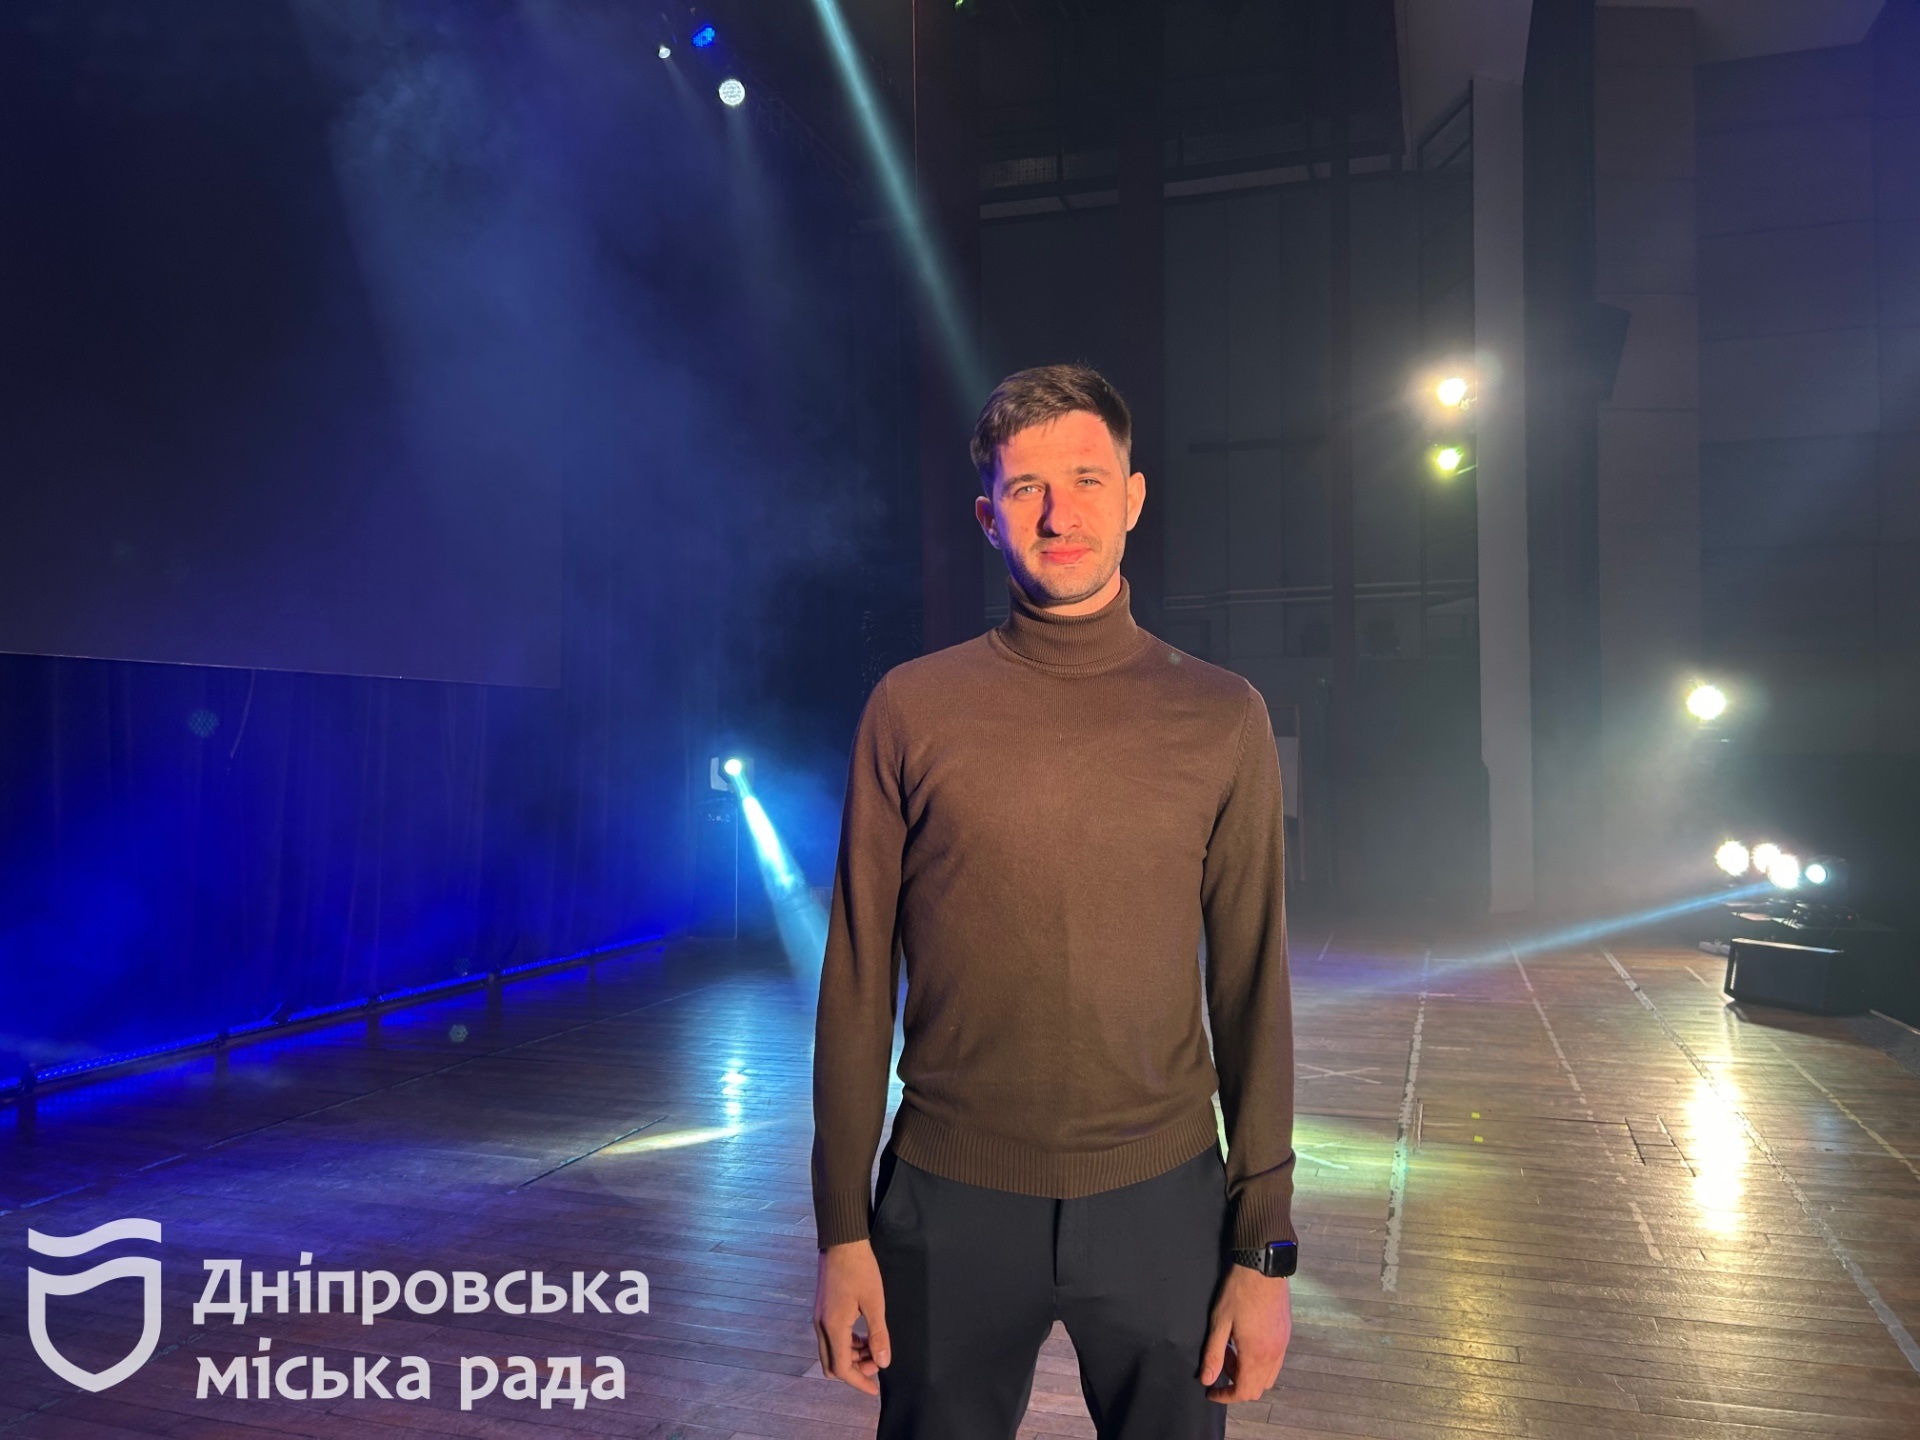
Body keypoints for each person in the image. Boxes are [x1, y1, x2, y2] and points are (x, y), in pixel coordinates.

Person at [810, 363, 1297, 1439]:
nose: (1058, 513)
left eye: (1086, 479)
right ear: (989, 517)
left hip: (1164, 1202)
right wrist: (842, 1230)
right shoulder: (912, 709)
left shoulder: (1221, 716)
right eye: (1025, 487)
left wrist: (1264, 1250)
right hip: (947, 1199)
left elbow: (1254, 988)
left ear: (1132, 497)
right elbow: (855, 983)